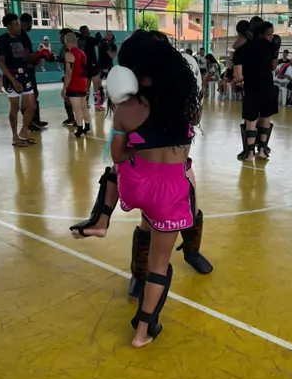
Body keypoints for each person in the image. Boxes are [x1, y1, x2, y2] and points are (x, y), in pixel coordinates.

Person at [70, 30, 206, 348]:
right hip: (170, 193)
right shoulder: (188, 105)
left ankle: (101, 220)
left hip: (134, 187)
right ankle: (143, 332)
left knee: (116, 169)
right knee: (159, 266)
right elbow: (185, 149)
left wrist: (137, 148)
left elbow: (117, 155)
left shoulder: (128, 108)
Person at [234, 19, 279, 161]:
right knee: (265, 120)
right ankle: (262, 151)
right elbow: (273, 67)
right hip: (268, 87)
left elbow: (238, 77)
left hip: (252, 88)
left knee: (251, 122)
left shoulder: (242, 49)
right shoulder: (269, 46)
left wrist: (241, 79)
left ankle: (249, 154)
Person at [0, 13, 37, 147]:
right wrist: (13, 81)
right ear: (8, 27)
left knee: (32, 106)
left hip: (24, 74)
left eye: (18, 24)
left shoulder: (22, 37)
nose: (18, 26)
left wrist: (39, 55)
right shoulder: (3, 40)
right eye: (15, 25)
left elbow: (28, 55)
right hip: (11, 76)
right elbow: (1, 62)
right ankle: (15, 136)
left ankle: (24, 131)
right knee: (15, 107)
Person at [19, 12, 46, 131]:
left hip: (25, 69)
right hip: (25, 70)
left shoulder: (21, 35)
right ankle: (30, 122)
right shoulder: (22, 36)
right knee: (31, 95)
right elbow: (25, 55)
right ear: (28, 23)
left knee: (31, 95)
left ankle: (34, 120)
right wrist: (39, 55)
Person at [61, 32, 90, 138]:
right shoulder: (82, 52)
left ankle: (79, 128)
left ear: (66, 41)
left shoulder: (69, 54)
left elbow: (69, 73)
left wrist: (64, 88)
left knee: (77, 108)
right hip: (83, 82)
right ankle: (87, 126)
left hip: (74, 83)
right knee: (84, 106)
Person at [77, 25, 99, 106]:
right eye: (88, 30)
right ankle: (97, 104)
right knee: (96, 84)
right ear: (85, 31)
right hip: (92, 64)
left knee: (87, 85)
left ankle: (86, 103)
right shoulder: (90, 39)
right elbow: (98, 43)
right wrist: (99, 38)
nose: (89, 31)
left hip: (84, 64)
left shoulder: (78, 40)